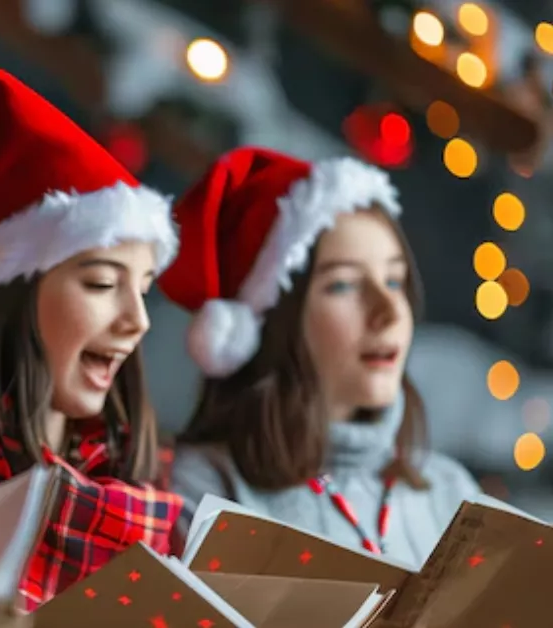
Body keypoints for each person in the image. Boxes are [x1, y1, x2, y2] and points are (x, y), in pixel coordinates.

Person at [0, 68, 183, 610]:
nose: (137, 319)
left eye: (143, 289)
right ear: (2, 288)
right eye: (102, 282)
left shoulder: (152, 488)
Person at [161, 146, 481, 567]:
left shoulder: (451, 492)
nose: (388, 312)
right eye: (344, 286)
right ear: (274, 317)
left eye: (393, 280)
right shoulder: (204, 488)